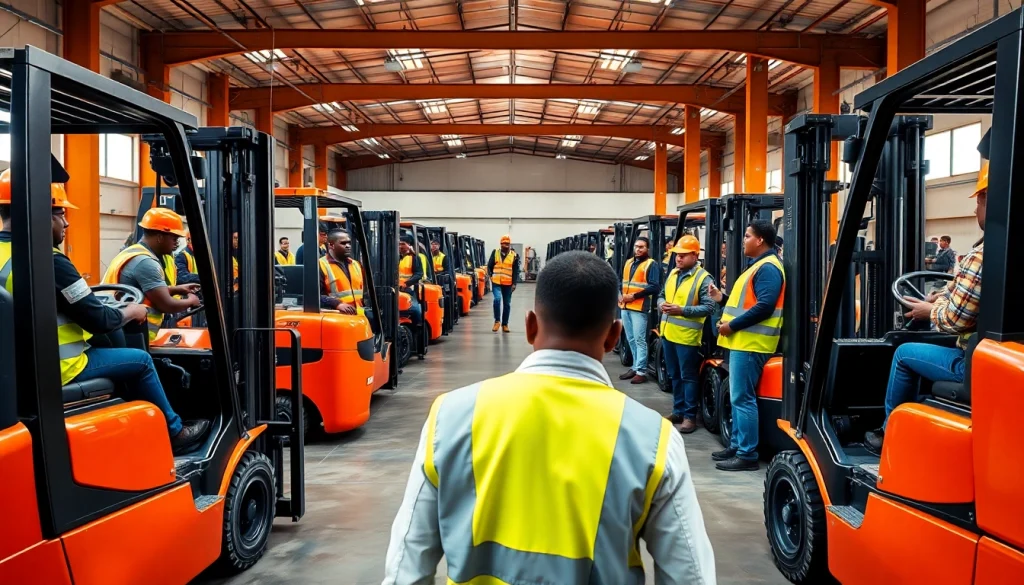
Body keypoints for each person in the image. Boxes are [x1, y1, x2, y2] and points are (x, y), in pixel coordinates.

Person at [382, 251, 716, 584]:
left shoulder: (451, 415)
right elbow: (690, 574)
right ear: (614, 335)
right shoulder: (653, 438)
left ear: (530, 326)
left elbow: (406, 566)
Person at [0, 170, 208, 453]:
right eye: (61, 214)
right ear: (42, 212)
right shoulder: (51, 262)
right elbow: (99, 319)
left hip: (13, 368)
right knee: (141, 360)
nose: (66, 222)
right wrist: (131, 311)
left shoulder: (6, 254)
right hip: (57, 368)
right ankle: (175, 432)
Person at [864, 163, 987, 453]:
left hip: (971, 362)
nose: (974, 210)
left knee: (905, 353)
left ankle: (889, 432)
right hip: (991, 352)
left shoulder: (980, 257)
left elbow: (953, 320)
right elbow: (964, 288)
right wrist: (939, 295)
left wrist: (928, 310)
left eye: (978, 202)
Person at [707, 219, 784, 471]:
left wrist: (731, 326)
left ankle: (747, 454)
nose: (743, 240)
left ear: (760, 240)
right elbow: (749, 304)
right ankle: (737, 445)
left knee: (743, 398)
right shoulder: (758, 266)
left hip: (752, 343)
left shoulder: (769, 268)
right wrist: (722, 298)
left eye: (748, 235)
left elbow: (765, 306)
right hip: (743, 341)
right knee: (738, 396)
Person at [103, 208, 202, 341]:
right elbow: (166, 305)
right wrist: (191, 301)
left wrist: (177, 289)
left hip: (126, 328)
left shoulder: (140, 253)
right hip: (130, 332)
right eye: (174, 237)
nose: (177, 242)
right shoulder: (145, 262)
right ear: (160, 237)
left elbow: (145, 291)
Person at [658, 235, 716, 433]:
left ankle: (690, 417)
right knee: (674, 375)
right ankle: (678, 410)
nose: (678, 259)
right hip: (668, 333)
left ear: (694, 255)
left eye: (683, 255)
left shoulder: (703, 278)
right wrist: (661, 305)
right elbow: (661, 295)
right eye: (676, 255)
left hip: (686, 337)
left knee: (688, 377)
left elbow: (709, 307)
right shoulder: (673, 273)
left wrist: (681, 310)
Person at [619, 236, 660, 384]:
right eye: (636, 246)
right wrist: (620, 295)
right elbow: (621, 281)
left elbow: (655, 286)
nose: (638, 249)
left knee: (640, 340)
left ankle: (641, 371)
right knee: (631, 339)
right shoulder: (629, 263)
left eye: (641, 247)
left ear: (647, 249)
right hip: (625, 306)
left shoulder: (651, 264)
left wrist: (634, 296)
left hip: (639, 308)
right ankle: (636, 366)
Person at [319, 230, 366, 316]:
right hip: (336, 316)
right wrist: (337, 303)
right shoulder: (321, 265)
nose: (348, 246)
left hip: (358, 315)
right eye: (343, 243)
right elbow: (315, 296)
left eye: (349, 243)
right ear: (331, 245)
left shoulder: (356, 264)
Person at [487, 234, 520, 333]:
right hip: (496, 281)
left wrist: (514, 283)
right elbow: (489, 266)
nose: (505, 246)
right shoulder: (495, 253)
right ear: (501, 244)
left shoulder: (514, 256)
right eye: (504, 244)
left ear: (509, 245)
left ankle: (505, 324)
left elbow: (515, 271)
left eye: (507, 244)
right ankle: (497, 321)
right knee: (497, 299)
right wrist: (491, 276)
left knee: (507, 304)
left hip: (508, 283)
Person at [398, 235, 424, 325]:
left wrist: (406, 283)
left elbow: (419, 274)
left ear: (409, 245)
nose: (400, 246)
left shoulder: (415, 258)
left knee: (415, 309)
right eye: (399, 244)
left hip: (409, 289)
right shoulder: (395, 257)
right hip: (395, 289)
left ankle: (418, 325)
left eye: (403, 244)